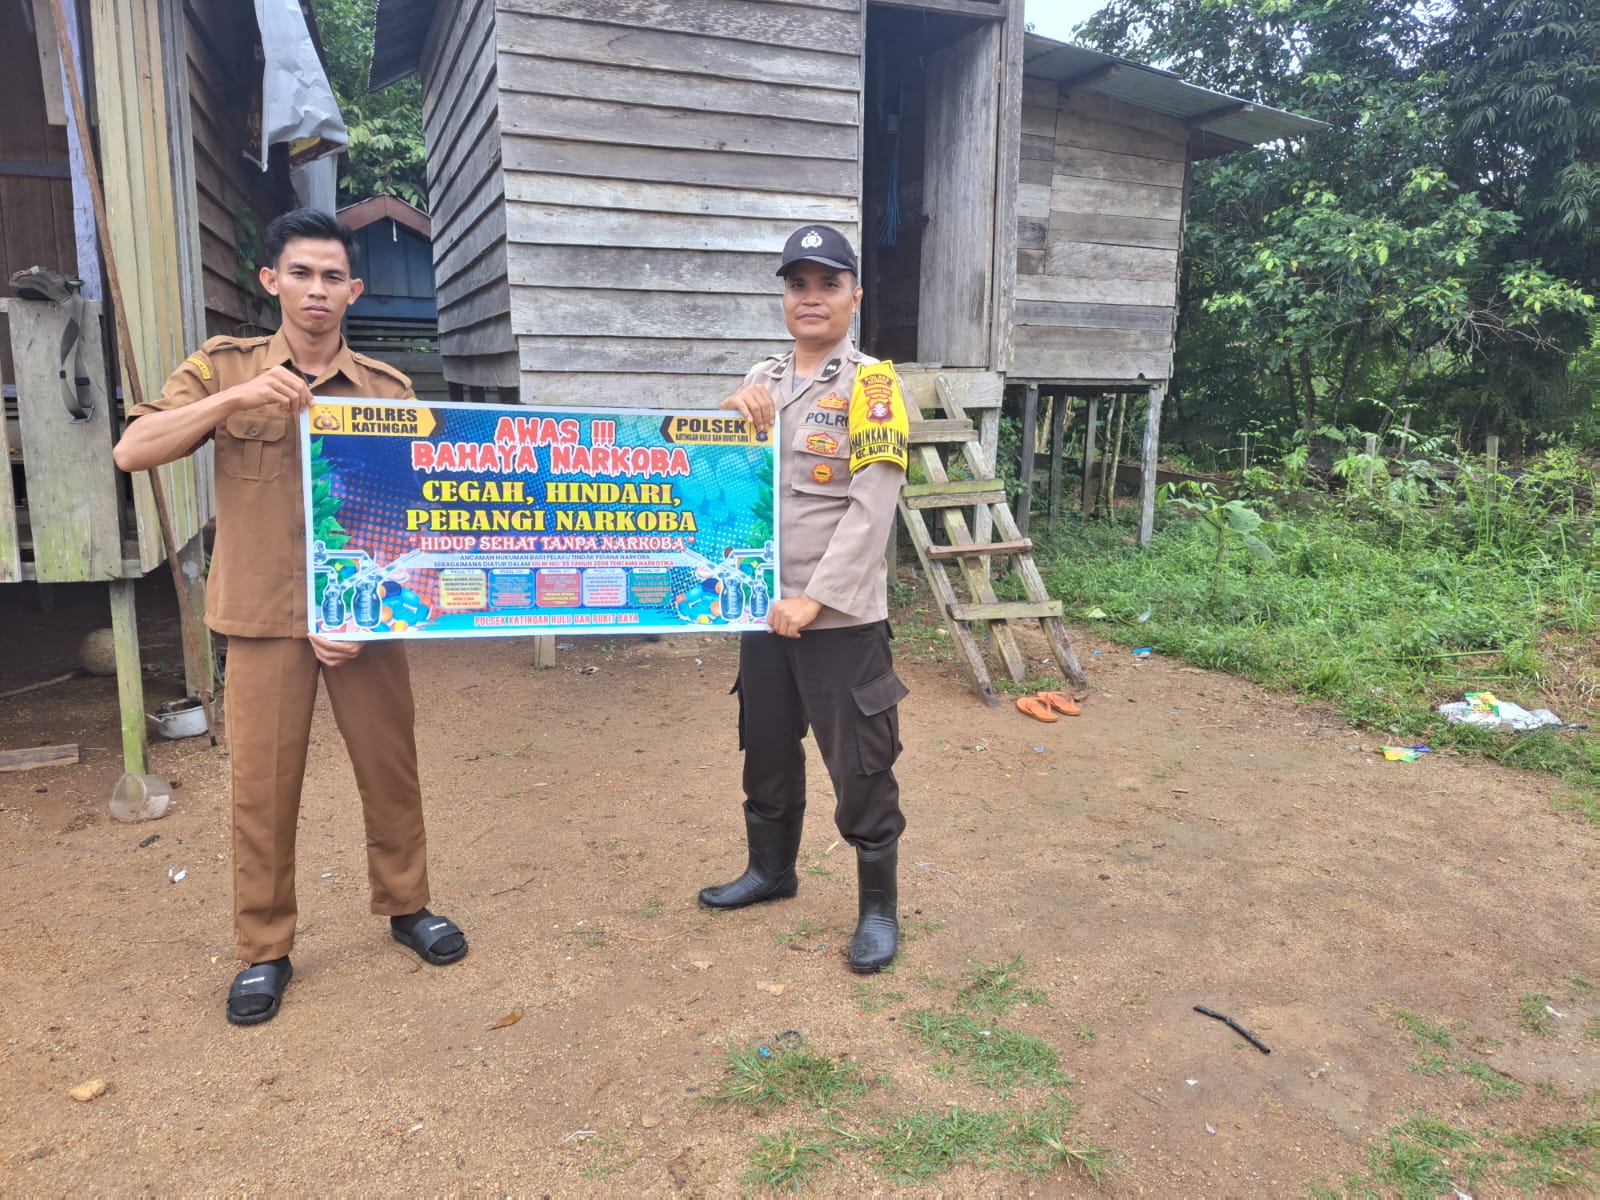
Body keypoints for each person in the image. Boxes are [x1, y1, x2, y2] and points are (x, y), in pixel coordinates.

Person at [113, 208, 467, 1025]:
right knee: (262, 788)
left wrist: (372, 608)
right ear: (272, 281)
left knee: (392, 769)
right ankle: (264, 949)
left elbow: (412, 515)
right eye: (300, 273)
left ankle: (409, 906)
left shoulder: (388, 388)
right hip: (264, 615)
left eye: (332, 276)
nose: (317, 290)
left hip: (364, 617)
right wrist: (234, 397)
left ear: (354, 289)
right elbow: (135, 450)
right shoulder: (222, 366)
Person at [700, 225, 910, 973]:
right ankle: (771, 870)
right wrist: (729, 411)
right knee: (765, 745)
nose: (811, 297)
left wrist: (815, 602)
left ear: (855, 295)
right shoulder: (764, 377)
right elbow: (722, 478)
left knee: (860, 762)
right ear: (784, 297)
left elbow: (871, 508)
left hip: (839, 620)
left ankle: (878, 910)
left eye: (827, 284)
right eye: (798, 284)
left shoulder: (874, 385)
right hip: (762, 608)